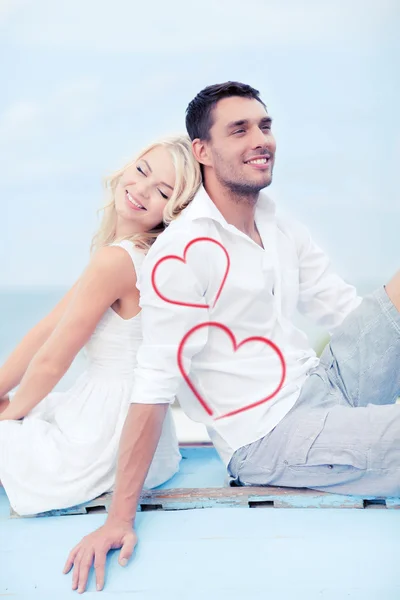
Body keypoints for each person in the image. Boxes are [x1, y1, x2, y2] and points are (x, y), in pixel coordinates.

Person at [64, 81, 400, 593]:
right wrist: (118, 519)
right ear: (203, 151)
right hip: (266, 435)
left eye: (264, 126)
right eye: (238, 130)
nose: (258, 139)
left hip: (322, 386)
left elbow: (348, 313)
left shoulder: (280, 225)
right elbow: (153, 388)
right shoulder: (182, 254)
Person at [0, 135, 202, 516]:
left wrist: (8, 414)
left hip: (105, 434)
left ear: (174, 209)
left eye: (161, 191)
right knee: (18, 409)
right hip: (143, 432)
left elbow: (52, 361)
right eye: (142, 170)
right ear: (128, 165)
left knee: (13, 421)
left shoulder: (116, 261)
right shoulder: (140, 254)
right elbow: (48, 326)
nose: (141, 189)